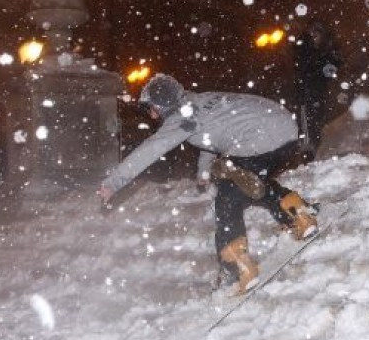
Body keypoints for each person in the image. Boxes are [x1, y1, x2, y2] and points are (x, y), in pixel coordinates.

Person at [97, 74, 320, 294]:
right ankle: (295, 211)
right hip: (284, 128)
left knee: (229, 195)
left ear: (162, 105)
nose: (151, 114)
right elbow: (211, 137)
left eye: (151, 108)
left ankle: (236, 269)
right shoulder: (199, 101)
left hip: (260, 137)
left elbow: (150, 150)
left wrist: (113, 183)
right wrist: (203, 171)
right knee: (247, 182)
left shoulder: (181, 118)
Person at [291, 18, 343, 159]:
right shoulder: (304, 48)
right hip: (305, 93)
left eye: (316, 33)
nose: (314, 36)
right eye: (311, 33)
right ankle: (307, 153)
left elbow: (333, 66)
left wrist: (329, 67)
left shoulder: (327, 50)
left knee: (317, 122)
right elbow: (303, 67)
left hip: (318, 92)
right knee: (307, 124)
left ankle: (313, 150)